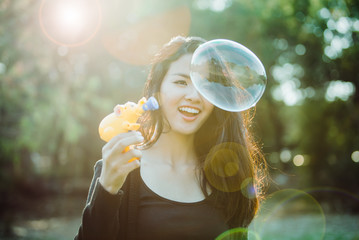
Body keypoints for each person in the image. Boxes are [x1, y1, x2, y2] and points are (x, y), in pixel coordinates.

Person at [75, 36, 267, 240]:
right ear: (157, 92)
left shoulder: (228, 174)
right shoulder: (120, 168)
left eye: (205, 84)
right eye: (181, 81)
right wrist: (107, 189)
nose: (194, 95)